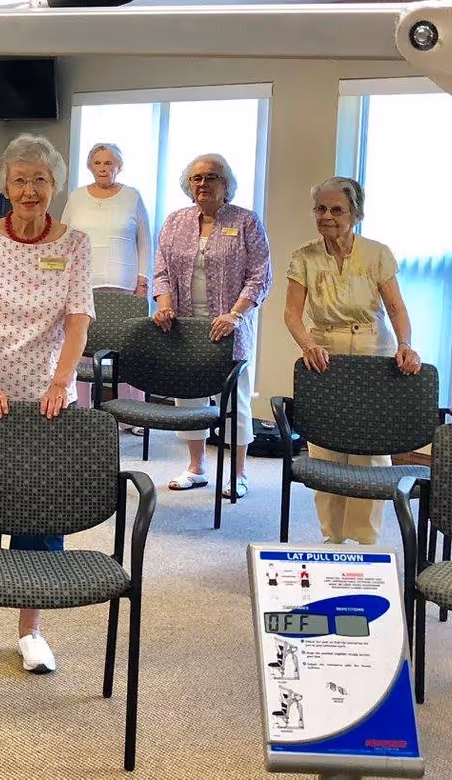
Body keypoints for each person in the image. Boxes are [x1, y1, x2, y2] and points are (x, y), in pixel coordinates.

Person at [0, 134, 94, 674]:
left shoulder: (73, 244)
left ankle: (32, 629)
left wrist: (60, 382)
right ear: (5, 187)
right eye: (19, 180)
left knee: (39, 507)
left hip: (47, 396)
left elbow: (78, 318)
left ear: (54, 186)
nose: (29, 190)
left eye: (40, 180)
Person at [280, 176, 421, 546]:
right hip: (324, 355)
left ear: (355, 213)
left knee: (370, 453)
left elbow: (396, 307)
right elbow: (292, 314)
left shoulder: (377, 253)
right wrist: (307, 344)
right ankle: (332, 537)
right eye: (320, 209)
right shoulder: (304, 256)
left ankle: (366, 538)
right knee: (325, 451)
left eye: (336, 209)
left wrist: (406, 344)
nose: (326, 216)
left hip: (374, 353)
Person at [151, 153, 272, 499]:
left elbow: (260, 276)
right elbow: (160, 272)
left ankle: (238, 473)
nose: (203, 184)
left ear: (226, 184)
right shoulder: (175, 222)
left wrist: (235, 314)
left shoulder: (247, 222)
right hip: (186, 328)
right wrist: (165, 306)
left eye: (212, 177)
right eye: (197, 178)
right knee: (188, 398)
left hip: (230, 326)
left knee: (234, 400)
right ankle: (196, 467)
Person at [61, 142, 153, 425]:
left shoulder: (132, 196)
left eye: (109, 163)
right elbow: (64, 240)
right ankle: (82, 413)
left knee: (129, 352)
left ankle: (134, 418)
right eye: (98, 163)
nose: (103, 168)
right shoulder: (76, 198)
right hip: (83, 285)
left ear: (119, 167)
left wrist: (142, 280)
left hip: (125, 285)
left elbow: (145, 241)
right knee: (82, 350)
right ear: (90, 166)